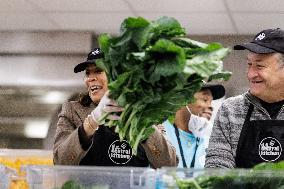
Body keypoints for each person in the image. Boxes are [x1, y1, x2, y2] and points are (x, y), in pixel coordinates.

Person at [53, 48, 178, 168]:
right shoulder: (72, 111)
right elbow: (60, 162)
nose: (90, 78)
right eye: (87, 73)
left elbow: (169, 164)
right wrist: (92, 121)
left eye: (98, 70)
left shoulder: (148, 113)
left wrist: (141, 121)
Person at [205, 28, 284, 168]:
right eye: (249, 64)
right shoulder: (230, 110)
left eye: (259, 66)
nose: (250, 74)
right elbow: (217, 169)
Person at [162, 84, 225, 168]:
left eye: (211, 101)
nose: (211, 106)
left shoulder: (210, 141)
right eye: (205, 99)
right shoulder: (158, 131)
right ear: (183, 100)